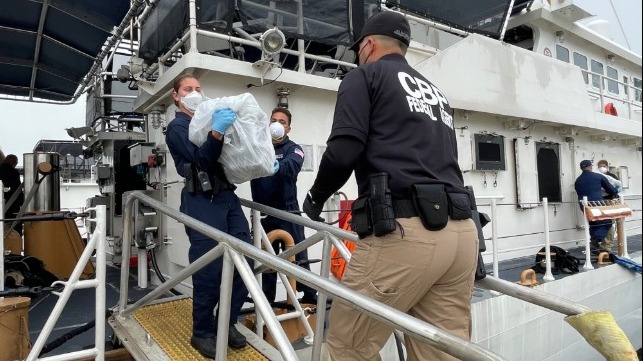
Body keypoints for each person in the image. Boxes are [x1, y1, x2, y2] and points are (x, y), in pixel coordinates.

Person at [302, 11, 479, 361]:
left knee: (347, 346)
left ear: (367, 45)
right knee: (439, 352)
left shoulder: (363, 77)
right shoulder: (435, 93)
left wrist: (315, 197)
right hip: (462, 235)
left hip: (407, 234)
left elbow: (342, 152)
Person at [165, 74, 250, 359]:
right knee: (209, 270)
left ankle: (227, 321)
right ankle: (202, 331)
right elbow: (202, 160)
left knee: (244, 261)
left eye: (198, 88)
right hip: (201, 200)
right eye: (188, 89)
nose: (195, 92)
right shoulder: (177, 127)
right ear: (176, 96)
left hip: (227, 197)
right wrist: (216, 133)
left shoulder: (210, 117)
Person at [250, 107, 317, 305]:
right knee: (266, 261)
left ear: (288, 128)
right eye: (274, 120)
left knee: (298, 257)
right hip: (263, 214)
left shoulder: (293, 148)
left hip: (288, 213)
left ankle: (310, 296)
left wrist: (277, 166)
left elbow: (292, 165)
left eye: (282, 121)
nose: (277, 124)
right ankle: (266, 301)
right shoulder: (259, 147)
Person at [574, 160, 617, 251]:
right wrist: (613, 195)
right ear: (590, 167)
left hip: (584, 206)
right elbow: (611, 189)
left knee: (593, 224)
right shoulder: (598, 176)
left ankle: (594, 245)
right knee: (607, 222)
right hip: (596, 204)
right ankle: (595, 241)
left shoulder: (578, 180)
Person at [596, 159, 619, 251]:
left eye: (603, 166)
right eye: (600, 166)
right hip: (600, 202)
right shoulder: (597, 176)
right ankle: (600, 243)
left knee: (610, 223)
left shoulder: (612, 176)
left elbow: (617, 188)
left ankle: (607, 245)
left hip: (610, 201)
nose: (602, 168)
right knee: (600, 222)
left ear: (607, 166)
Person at [1, 154, 24, 235]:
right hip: (11, 208)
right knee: (15, 232)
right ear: (13, 162)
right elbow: (17, 191)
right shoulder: (13, 173)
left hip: (2, 206)